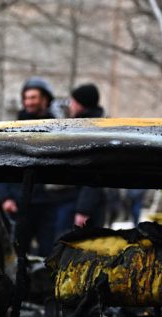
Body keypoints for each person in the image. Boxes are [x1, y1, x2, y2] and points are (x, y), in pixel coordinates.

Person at [0, 77, 72, 255]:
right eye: (27, 98)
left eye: (34, 98)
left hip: (48, 205)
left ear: (45, 100)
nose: (29, 102)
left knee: (49, 254)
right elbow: (0, 164)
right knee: (17, 254)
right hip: (19, 203)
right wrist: (5, 198)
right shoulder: (13, 129)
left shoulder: (57, 129)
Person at [67, 83, 107, 228]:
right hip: (78, 202)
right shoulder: (82, 126)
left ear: (81, 104)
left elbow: (94, 171)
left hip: (84, 207)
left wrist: (83, 209)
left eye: (73, 101)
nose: (70, 105)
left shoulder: (92, 130)